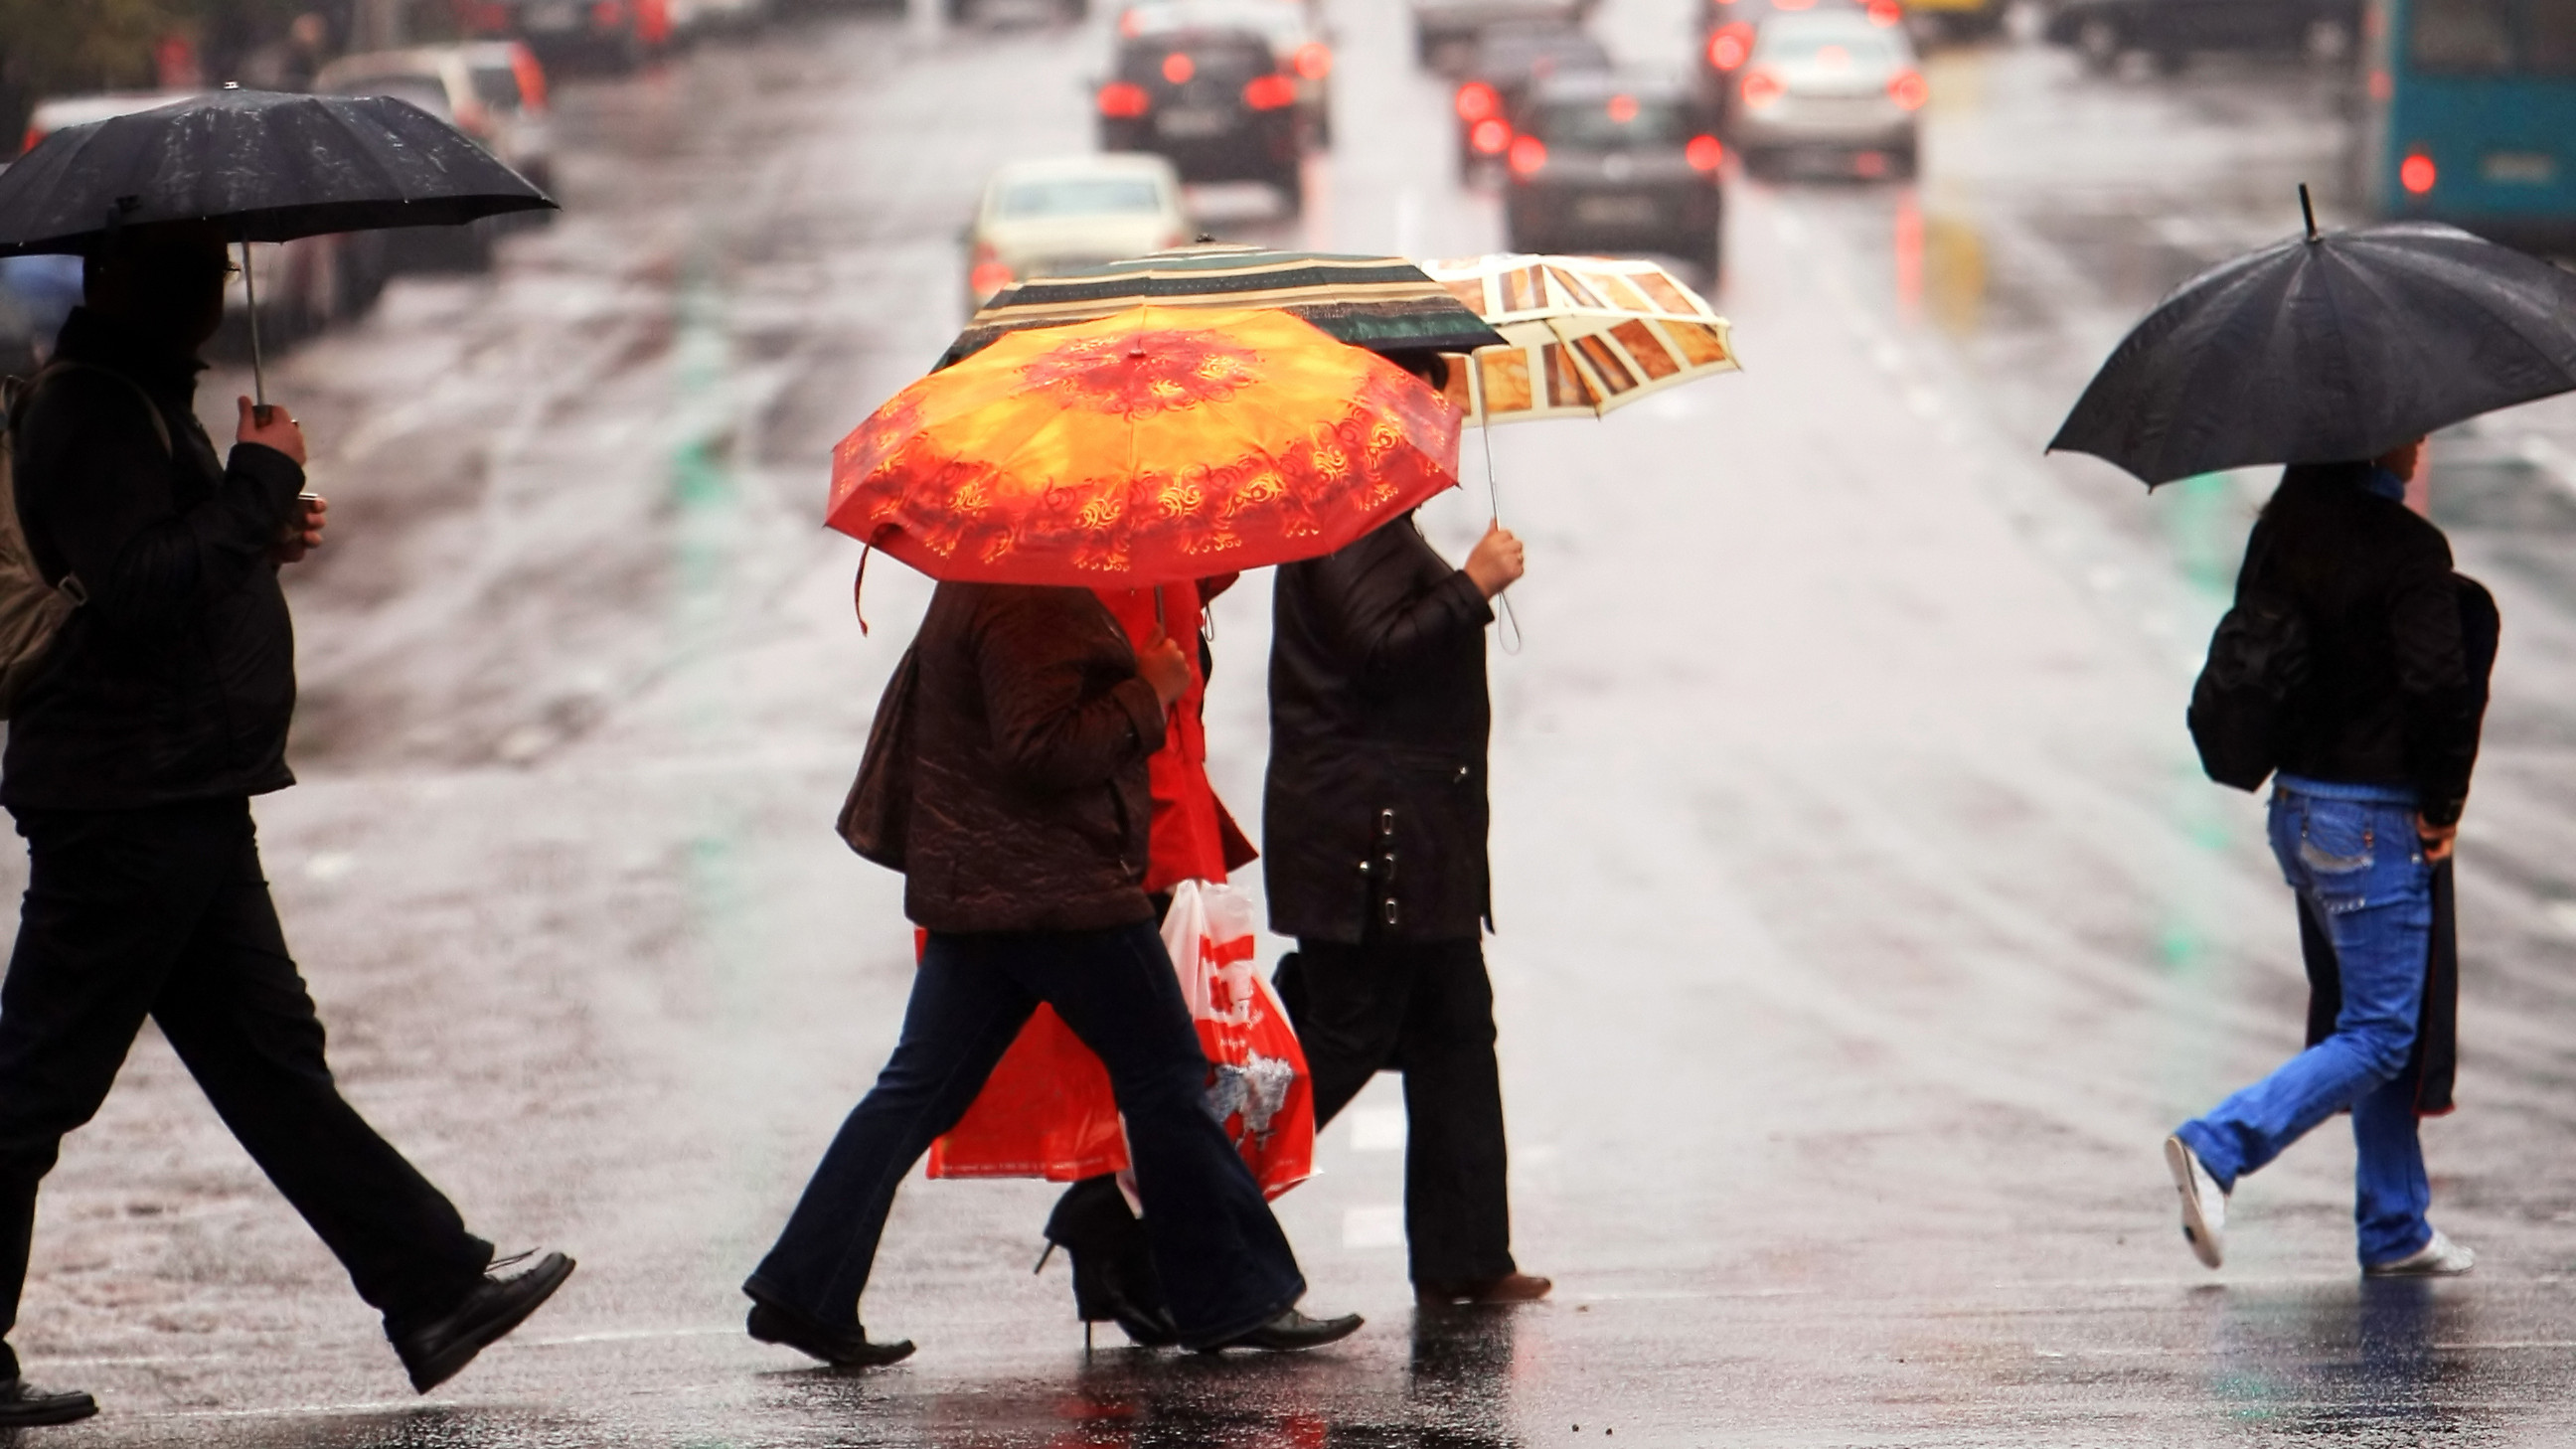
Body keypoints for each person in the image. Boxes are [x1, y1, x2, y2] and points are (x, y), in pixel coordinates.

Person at [0, 221, 573, 1429]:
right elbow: (144, 587)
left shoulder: (137, 397)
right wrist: (259, 478)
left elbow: (170, 571)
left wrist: (259, 531)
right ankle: (429, 1285)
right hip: (128, 803)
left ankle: (431, 1289)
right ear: (147, 285)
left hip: (185, 791)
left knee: (273, 1067)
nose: (219, 289)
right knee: (32, 1085)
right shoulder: (90, 409)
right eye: (202, 269)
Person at [743, 581, 1359, 1364]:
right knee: (1167, 1078)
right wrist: (1148, 694)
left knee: (917, 1090)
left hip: (988, 890)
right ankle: (1234, 1296)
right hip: (1058, 896)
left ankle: (803, 1286)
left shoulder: (988, 579)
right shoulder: (1030, 596)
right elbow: (1038, 747)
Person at [2167, 436, 2494, 1277]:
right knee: (2385, 1033)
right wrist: (2444, 803)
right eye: (2411, 431)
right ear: (2375, 442)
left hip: (2302, 810)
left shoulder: (2284, 529)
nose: (2419, 445)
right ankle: (2218, 1145)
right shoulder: (2409, 549)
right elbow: (2436, 685)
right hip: (2375, 822)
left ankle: (2394, 1224)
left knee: (2373, 1016)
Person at [1263, 505, 1552, 1306]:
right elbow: (1378, 648)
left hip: (1415, 845)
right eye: (1441, 394)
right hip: (1368, 846)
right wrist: (1473, 585)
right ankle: (1158, 1214)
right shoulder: (1346, 520)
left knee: (1456, 1036)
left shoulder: (1380, 518)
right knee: (1344, 1036)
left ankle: (1465, 1256)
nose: (1453, 418)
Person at [1036, 574, 1259, 1348]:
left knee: (1155, 1074)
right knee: (1164, 1073)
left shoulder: (1159, 560)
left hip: (1167, 828)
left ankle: (1123, 1249)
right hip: (1141, 841)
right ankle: (1143, 1249)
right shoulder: (1105, 571)